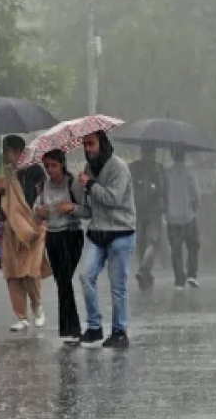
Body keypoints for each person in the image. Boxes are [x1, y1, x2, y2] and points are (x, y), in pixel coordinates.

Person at [65, 130, 137, 348]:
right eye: (84, 145)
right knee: (86, 277)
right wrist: (73, 208)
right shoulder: (89, 169)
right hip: (97, 233)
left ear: (102, 144)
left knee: (118, 286)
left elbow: (113, 198)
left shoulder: (118, 167)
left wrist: (90, 185)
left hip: (121, 232)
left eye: (91, 144)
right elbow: (90, 210)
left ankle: (119, 331)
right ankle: (94, 327)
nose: (88, 149)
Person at [0, 135, 49, 332]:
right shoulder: (2, 174)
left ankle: (38, 307)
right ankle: (21, 316)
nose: (4, 156)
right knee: (13, 273)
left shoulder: (35, 171)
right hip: (9, 228)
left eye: (6, 151)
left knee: (31, 271)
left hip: (32, 226)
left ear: (17, 152)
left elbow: (43, 196)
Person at [34, 149, 86, 341]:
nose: (50, 170)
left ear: (62, 164)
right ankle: (70, 329)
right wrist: (39, 212)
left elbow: (86, 211)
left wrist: (70, 207)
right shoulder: (43, 187)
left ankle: (72, 328)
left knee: (64, 280)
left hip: (72, 236)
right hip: (53, 238)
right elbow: (35, 212)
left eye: (54, 165)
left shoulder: (72, 184)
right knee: (62, 282)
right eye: (47, 166)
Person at [129, 145, 166, 292]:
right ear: (153, 153)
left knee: (142, 244)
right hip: (153, 211)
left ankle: (145, 276)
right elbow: (163, 190)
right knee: (154, 242)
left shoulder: (134, 168)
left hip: (138, 210)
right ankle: (144, 270)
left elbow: (129, 188)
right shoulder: (158, 168)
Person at [165, 147, 201, 289]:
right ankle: (191, 275)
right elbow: (196, 194)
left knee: (176, 250)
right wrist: (196, 208)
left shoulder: (167, 173)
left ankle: (179, 279)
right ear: (184, 156)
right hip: (188, 216)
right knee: (193, 246)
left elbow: (164, 193)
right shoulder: (190, 173)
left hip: (172, 217)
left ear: (172, 155)